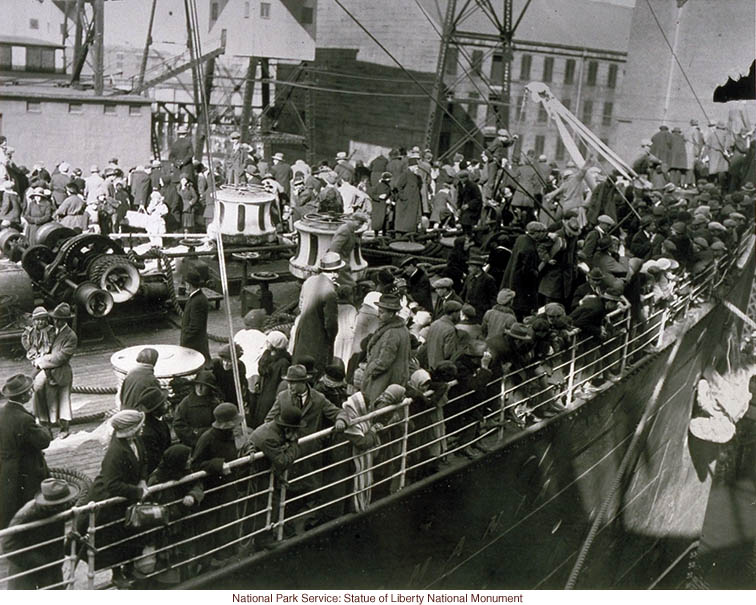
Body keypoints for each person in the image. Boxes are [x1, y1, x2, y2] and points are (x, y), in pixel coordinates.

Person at [83, 410, 148, 584]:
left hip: (128, 496)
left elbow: (144, 461)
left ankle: (130, 568)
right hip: (112, 501)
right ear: (130, 429)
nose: (143, 428)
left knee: (132, 534)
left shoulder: (136, 441)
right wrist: (138, 492)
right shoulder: (116, 452)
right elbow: (112, 485)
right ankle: (117, 575)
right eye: (139, 426)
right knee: (115, 538)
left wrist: (142, 480)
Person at [2, 478, 80, 589]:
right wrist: (36, 561)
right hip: (26, 561)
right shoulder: (26, 514)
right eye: (58, 505)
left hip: (51, 560)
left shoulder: (61, 505)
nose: (63, 506)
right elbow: (7, 543)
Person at [144, 445, 204, 587]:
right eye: (187, 458)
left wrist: (193, 495)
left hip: (182, 521)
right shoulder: (156, 479)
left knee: (185, 551)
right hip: (165, 526)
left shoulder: (185, 472)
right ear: (178, 461)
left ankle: (185, 577)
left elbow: (198, 484)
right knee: (167, 556)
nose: (190, 460)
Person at [191, 402, 242, 566]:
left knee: (227, 520)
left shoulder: (229, 435)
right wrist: (218, 465)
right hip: (212, 490)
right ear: (226, 423)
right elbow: (195, 465)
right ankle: (206, 561)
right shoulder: (207, 439)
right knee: (211, 524)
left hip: (227, 487)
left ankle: (224, 554)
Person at [249, 403, 305, 546]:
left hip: (263, 470)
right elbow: (282, 461)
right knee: (267, 502)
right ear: (287, 428)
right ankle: (262, 539)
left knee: (271, 500)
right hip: (253, 474)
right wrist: (294, 445)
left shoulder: (274, 430)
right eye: (295, 430)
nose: (296, 434)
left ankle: (270, 531)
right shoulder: (270, 438)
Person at [0, 374, 52, 529]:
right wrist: (43, 428)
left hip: (5, 466)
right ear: (23, 396)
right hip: (25, 468)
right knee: (30, 501)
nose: (31, 392)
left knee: (9, 501)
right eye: (29, 391)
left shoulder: (2, 412)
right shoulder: (24, 419)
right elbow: (44, 441)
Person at [31, 303, 77, 437]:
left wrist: (41, 361)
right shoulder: (50, 330)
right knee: (40, 394)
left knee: (63, 400)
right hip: (46, 371)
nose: (56, 321)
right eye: (55, 318)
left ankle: (64, 428)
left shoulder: (71, 336)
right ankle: (46, 427)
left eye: (60, 319)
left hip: (61, 371)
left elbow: (61, 357)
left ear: (66, 320)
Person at [292, 252, 341, 374]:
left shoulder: (309, 281)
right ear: (335, 273)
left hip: (302, 335)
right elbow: (330, 324)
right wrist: (331, 340)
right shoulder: (330, 292)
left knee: (299, 369)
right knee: (315, 372)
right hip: (318, 341)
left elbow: (301, 305)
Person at [361, 294, 411, 404]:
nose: (378, 315)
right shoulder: (402, 329)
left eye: (381, 312)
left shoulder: (391, 333)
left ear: (391, 313)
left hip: (384, 381)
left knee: (378, 409)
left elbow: (384, 361)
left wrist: (369, 370)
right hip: (396, 378)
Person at [501, 221, 546, 318]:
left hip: (512, 278)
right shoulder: (529, 249)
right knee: (521, 310)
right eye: (542, 232)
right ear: (536, 233)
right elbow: (527, 272)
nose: (544, 234)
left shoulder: (521, 239)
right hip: (522, 286)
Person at [252, 330, 291, 429]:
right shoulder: (267, 355)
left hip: (272, 392)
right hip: (264, 390)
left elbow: (283, 382)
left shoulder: (283, 362)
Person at [173, 370, 220, 448]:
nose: (200, 388)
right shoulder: (186, 403)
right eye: (198, 385)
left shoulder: (214, 403)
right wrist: (194, 435)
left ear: (209, 388)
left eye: (204, 386)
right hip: (191, 444)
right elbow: (178, 426)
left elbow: (220, 424)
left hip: (211, 443)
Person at [137, 387, 171, 475]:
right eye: (164, 404)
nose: (169, 403)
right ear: (156, 409)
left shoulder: (158, 420)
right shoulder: (148, 434)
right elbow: (153, 462)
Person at [180, 266, 210, 361]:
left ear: (189, 285)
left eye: (186, 284)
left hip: (194, 344)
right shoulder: (197, 298)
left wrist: (185, 340)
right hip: (197, 342)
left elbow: (195, 327)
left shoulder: (197, 301)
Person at [426, 300, 462, 370]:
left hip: (431, 365)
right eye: (458, 313)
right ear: (454, 313)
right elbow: (449, 353)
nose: (459, 315)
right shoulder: (449, 329)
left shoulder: (434, 324)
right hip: (443, 368)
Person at [461, 254, 498, 320]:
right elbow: (463, 293)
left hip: (480, 314)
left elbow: (493, 298)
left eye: (471, 266)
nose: (468, 269)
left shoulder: (488, 279)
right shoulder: (469, 278)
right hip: (467, 312)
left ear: (478, 267)